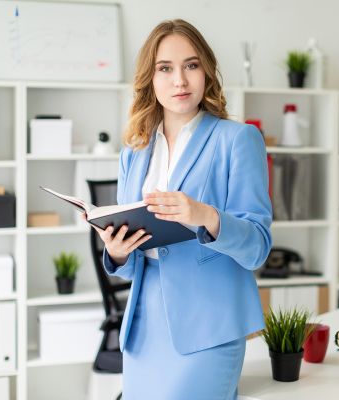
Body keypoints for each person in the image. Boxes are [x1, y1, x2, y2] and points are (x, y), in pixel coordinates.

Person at [89, 19, 272, 399]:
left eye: (191, 65)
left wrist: (205, 216)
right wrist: (118, 252)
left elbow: (258, 247)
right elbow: (131, 261)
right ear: (150, 79)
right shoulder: (134, 151)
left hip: (210, 322)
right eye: (165, 68)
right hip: (143, 325)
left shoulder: (237, 140)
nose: (180, 81)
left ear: (206, 71)